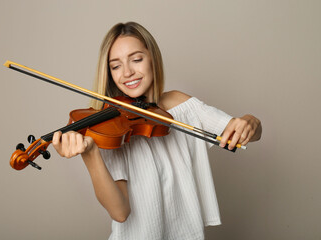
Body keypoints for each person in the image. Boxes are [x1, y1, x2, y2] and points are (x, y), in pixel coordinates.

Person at [52, 22, 262, 240]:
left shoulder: (182, 106)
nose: (127, 72)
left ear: (153, 58)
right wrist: (91, 154)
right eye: (115, 66)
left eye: (136, 59)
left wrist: (250, 121)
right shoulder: (113, 129)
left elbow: (244, 134)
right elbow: (120, 212)